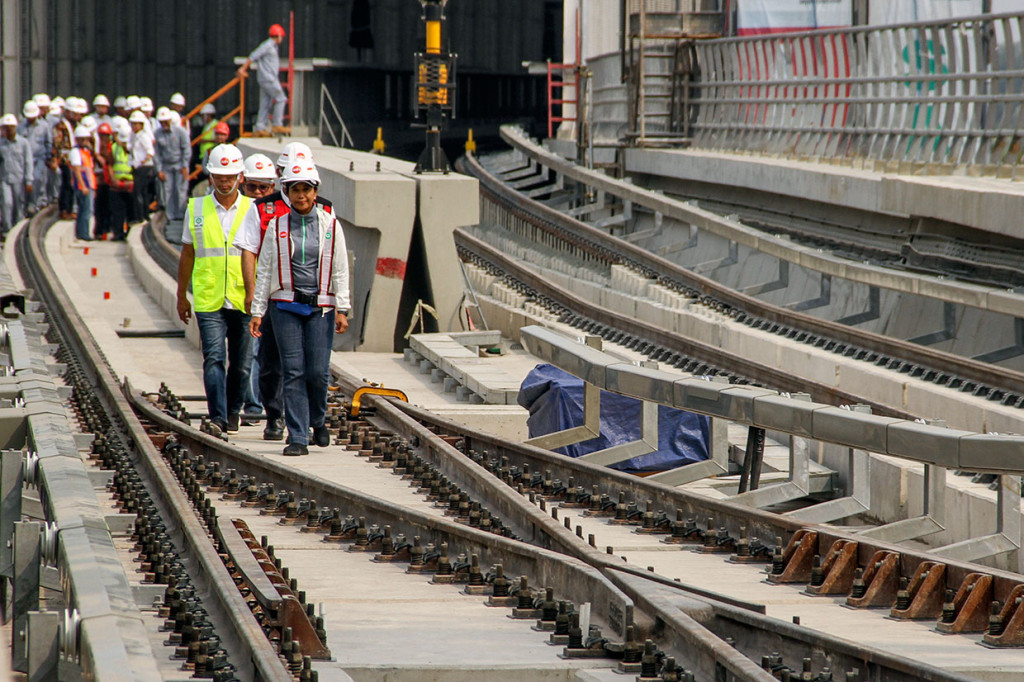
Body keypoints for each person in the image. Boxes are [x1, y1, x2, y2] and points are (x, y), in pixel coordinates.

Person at [248, 160, 349, 456]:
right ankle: (298, 437)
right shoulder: (277, 225)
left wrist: (343, 308)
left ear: (315, 192)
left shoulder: (331, 225)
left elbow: (340, 269)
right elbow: (265, 270)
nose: (301, 195)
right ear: (287, 192)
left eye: (306, 189)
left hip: (321, 308)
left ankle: (317, 420)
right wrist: (258, 311)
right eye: (295, 190)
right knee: (292, 371)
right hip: (285, 306)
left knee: (317, 372)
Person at [235, 143, 332, 442]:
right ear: (281, 175)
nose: (300, 193)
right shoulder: (263, 209)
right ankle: (275, 414)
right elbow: (250, 252)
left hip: (313, 301)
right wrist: (253, 295)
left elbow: (335, 258)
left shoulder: (325, 210)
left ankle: (305, 423)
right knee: (271, 364)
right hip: (275, 298)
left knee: (309, 368)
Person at [176, 144, 254, 437]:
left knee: (242, 365)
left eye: (229, 176)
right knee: (214, 358)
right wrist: (181, 295)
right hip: (208, 297)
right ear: (210, 176)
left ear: (240, 176)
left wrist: (257, 294)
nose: (224, 181)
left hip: (243, 298)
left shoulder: (252, 210)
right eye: (219, 176)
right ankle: (218, 417)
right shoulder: (196, 208)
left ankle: (233, 411)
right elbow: (187, 254)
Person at [237, 153, 278, 419]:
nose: (258, 192)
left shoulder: (275, 211)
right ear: (243, 183)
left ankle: (267, 403)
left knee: (268, 353)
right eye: (253, 187)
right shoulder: (238, 210)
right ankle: (253, 405)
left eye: (264, 187)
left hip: (271, 291)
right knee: (249, 353)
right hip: (241, 291)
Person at [237, 24, 290, 137]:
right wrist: (243, 69)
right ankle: (277, 124)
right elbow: (253, 55)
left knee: (265, 103)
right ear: (278, 36)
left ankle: (260, 127)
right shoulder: (267, 45)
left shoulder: (273, 47)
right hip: (269, 78)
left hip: (266, 78)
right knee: (281, 98)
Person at [153, 106, 190, 226]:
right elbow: (157, 153)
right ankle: (170, 216)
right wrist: (159, 170)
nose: (164, 124)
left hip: (179, 165)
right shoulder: (157, 134)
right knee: (167, 190)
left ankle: (180, 215)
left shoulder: (181, 132)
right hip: (166, 166)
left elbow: (186, 149)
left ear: (170, 120)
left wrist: (184, 166)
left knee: (180, 190)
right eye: (162, 122)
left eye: (166, 121)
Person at [0, 113, 33, 239]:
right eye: (6, 127)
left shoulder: (24, 143)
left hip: (19, 179)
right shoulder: (1, 144)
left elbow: (28, 162)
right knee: (7, 204)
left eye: (11, 127)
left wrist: (29, 180)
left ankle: (18, 230)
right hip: (5, 179)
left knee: (19, 205)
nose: (8, 130)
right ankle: (7, 230)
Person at [18, 100, 51, 215]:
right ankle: (27, 203)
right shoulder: (20, 127)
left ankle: (34, 203)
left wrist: (48, 157)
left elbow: (48, 142)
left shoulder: (44, 126)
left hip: (39, 158)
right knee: (26, 181)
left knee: (36, 179)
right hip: (25, 159)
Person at [105, 119, 134, 241]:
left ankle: (130, 233)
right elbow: (109, 164)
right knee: (117, 211)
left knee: (132, 211)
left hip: (131, 184)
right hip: (117, 184)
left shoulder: (135, 148)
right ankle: (118, 233)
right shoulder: (115, 148)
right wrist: (113, 179)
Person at [69, 125, 96, 241]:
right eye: (83, 139)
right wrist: (83, 186)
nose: (86, 141)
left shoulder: (85, 151)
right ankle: (84, 233)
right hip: (83, 185)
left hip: (88, 185)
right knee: (86, 211)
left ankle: (82, 232)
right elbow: (76, 170)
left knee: (84, 210)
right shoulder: (76, 152)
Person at [128, 110, 155, 224]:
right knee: (141, 192)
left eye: (136, 124)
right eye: (132, 124)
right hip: (138, 167)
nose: (134, 126)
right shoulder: (135, 136)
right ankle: (144, 215)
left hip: (143, 167)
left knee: (138, 192)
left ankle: (141, 216)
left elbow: (150, 152)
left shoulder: (144, 137)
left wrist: (141, 162)